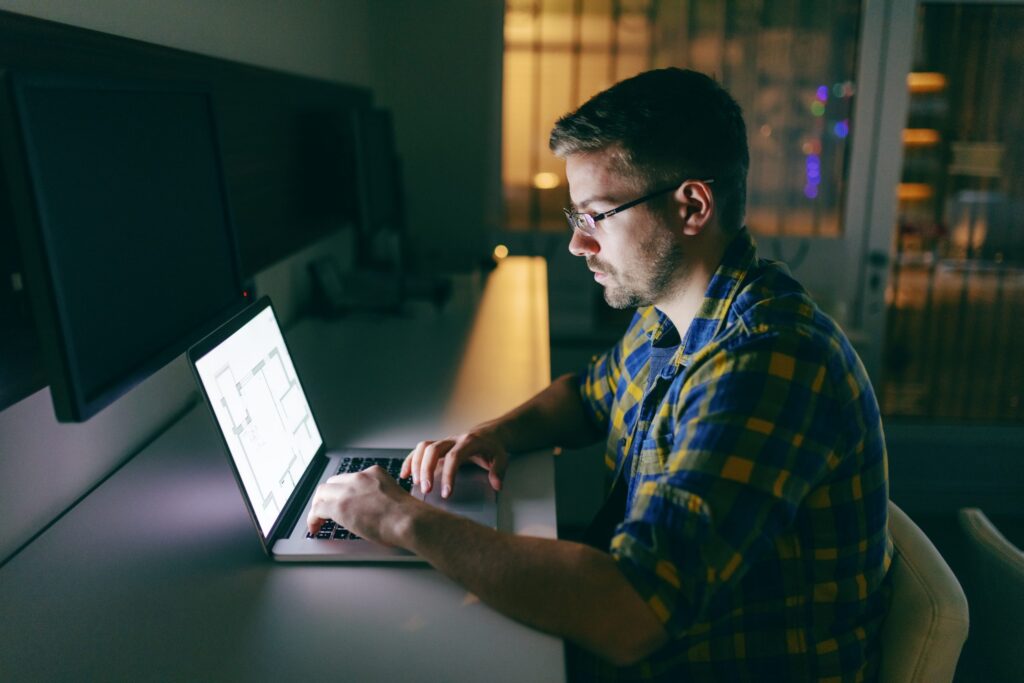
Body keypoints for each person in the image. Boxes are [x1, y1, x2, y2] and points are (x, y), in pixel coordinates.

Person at [308, 68, 892, 681]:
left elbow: (631, 611)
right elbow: (588, 396)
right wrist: (495, 434)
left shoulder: (766, 361)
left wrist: (402, 520)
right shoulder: (674, 308)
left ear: (691, 206)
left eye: (597, 215)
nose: (577, 244)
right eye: (575, 216)